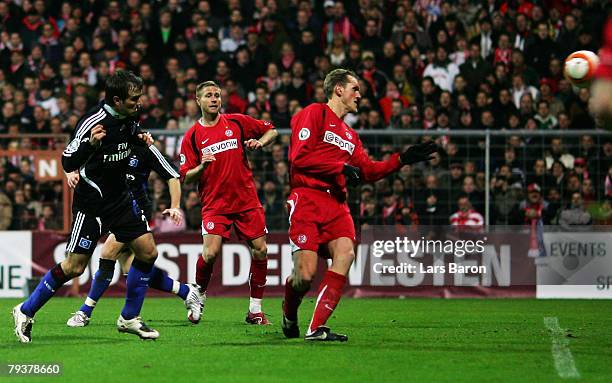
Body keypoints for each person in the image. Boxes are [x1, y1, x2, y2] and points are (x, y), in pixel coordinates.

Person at [282, 68, 437, 341]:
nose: (360, 95)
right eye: (355, 88)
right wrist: (339, 167)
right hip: (307, 197)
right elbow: (299, 158)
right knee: (304, 276)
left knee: (346, 253)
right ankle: (289, 312)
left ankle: (316, 329)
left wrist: (402, 159)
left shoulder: (351, 137)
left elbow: (368, 171)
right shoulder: (315, 113)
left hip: (337, 204)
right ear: (338, 89)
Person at [13, 71, 161, 342]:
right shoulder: (92, 122)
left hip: (119, 200)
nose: (139, 103)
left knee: (148, 252)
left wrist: (140, 137)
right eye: (134, 98)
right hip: (91, 204)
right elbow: (68, 160)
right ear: (117, 100)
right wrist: (90, 145)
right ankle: (25, 310)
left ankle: (129, 317)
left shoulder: (129, 117)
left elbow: (128, 134)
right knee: (74, 267)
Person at [65, 143, 202, 328]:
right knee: (132, 269)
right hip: (115, 209)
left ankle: (85, 311)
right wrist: (70, 173)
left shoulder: (144, 146)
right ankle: (185, 291)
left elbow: (173, 175)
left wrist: (175, 205)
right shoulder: (112, 140)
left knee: (107, 253)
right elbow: (76, 156)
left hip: (136, 210)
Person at [179, 81, 278, 325]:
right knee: (210, 254)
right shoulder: (192, 136)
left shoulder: (236, 121)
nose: (214, 99)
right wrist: (202, 165)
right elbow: (185, 175)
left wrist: (260, 143)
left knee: (261, 249)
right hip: (215, 204)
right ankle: (199, 294)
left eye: (217, 95)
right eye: (208, 96)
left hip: (246, 200)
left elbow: (272, 130)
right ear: (198, 101)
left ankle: (255, 309)